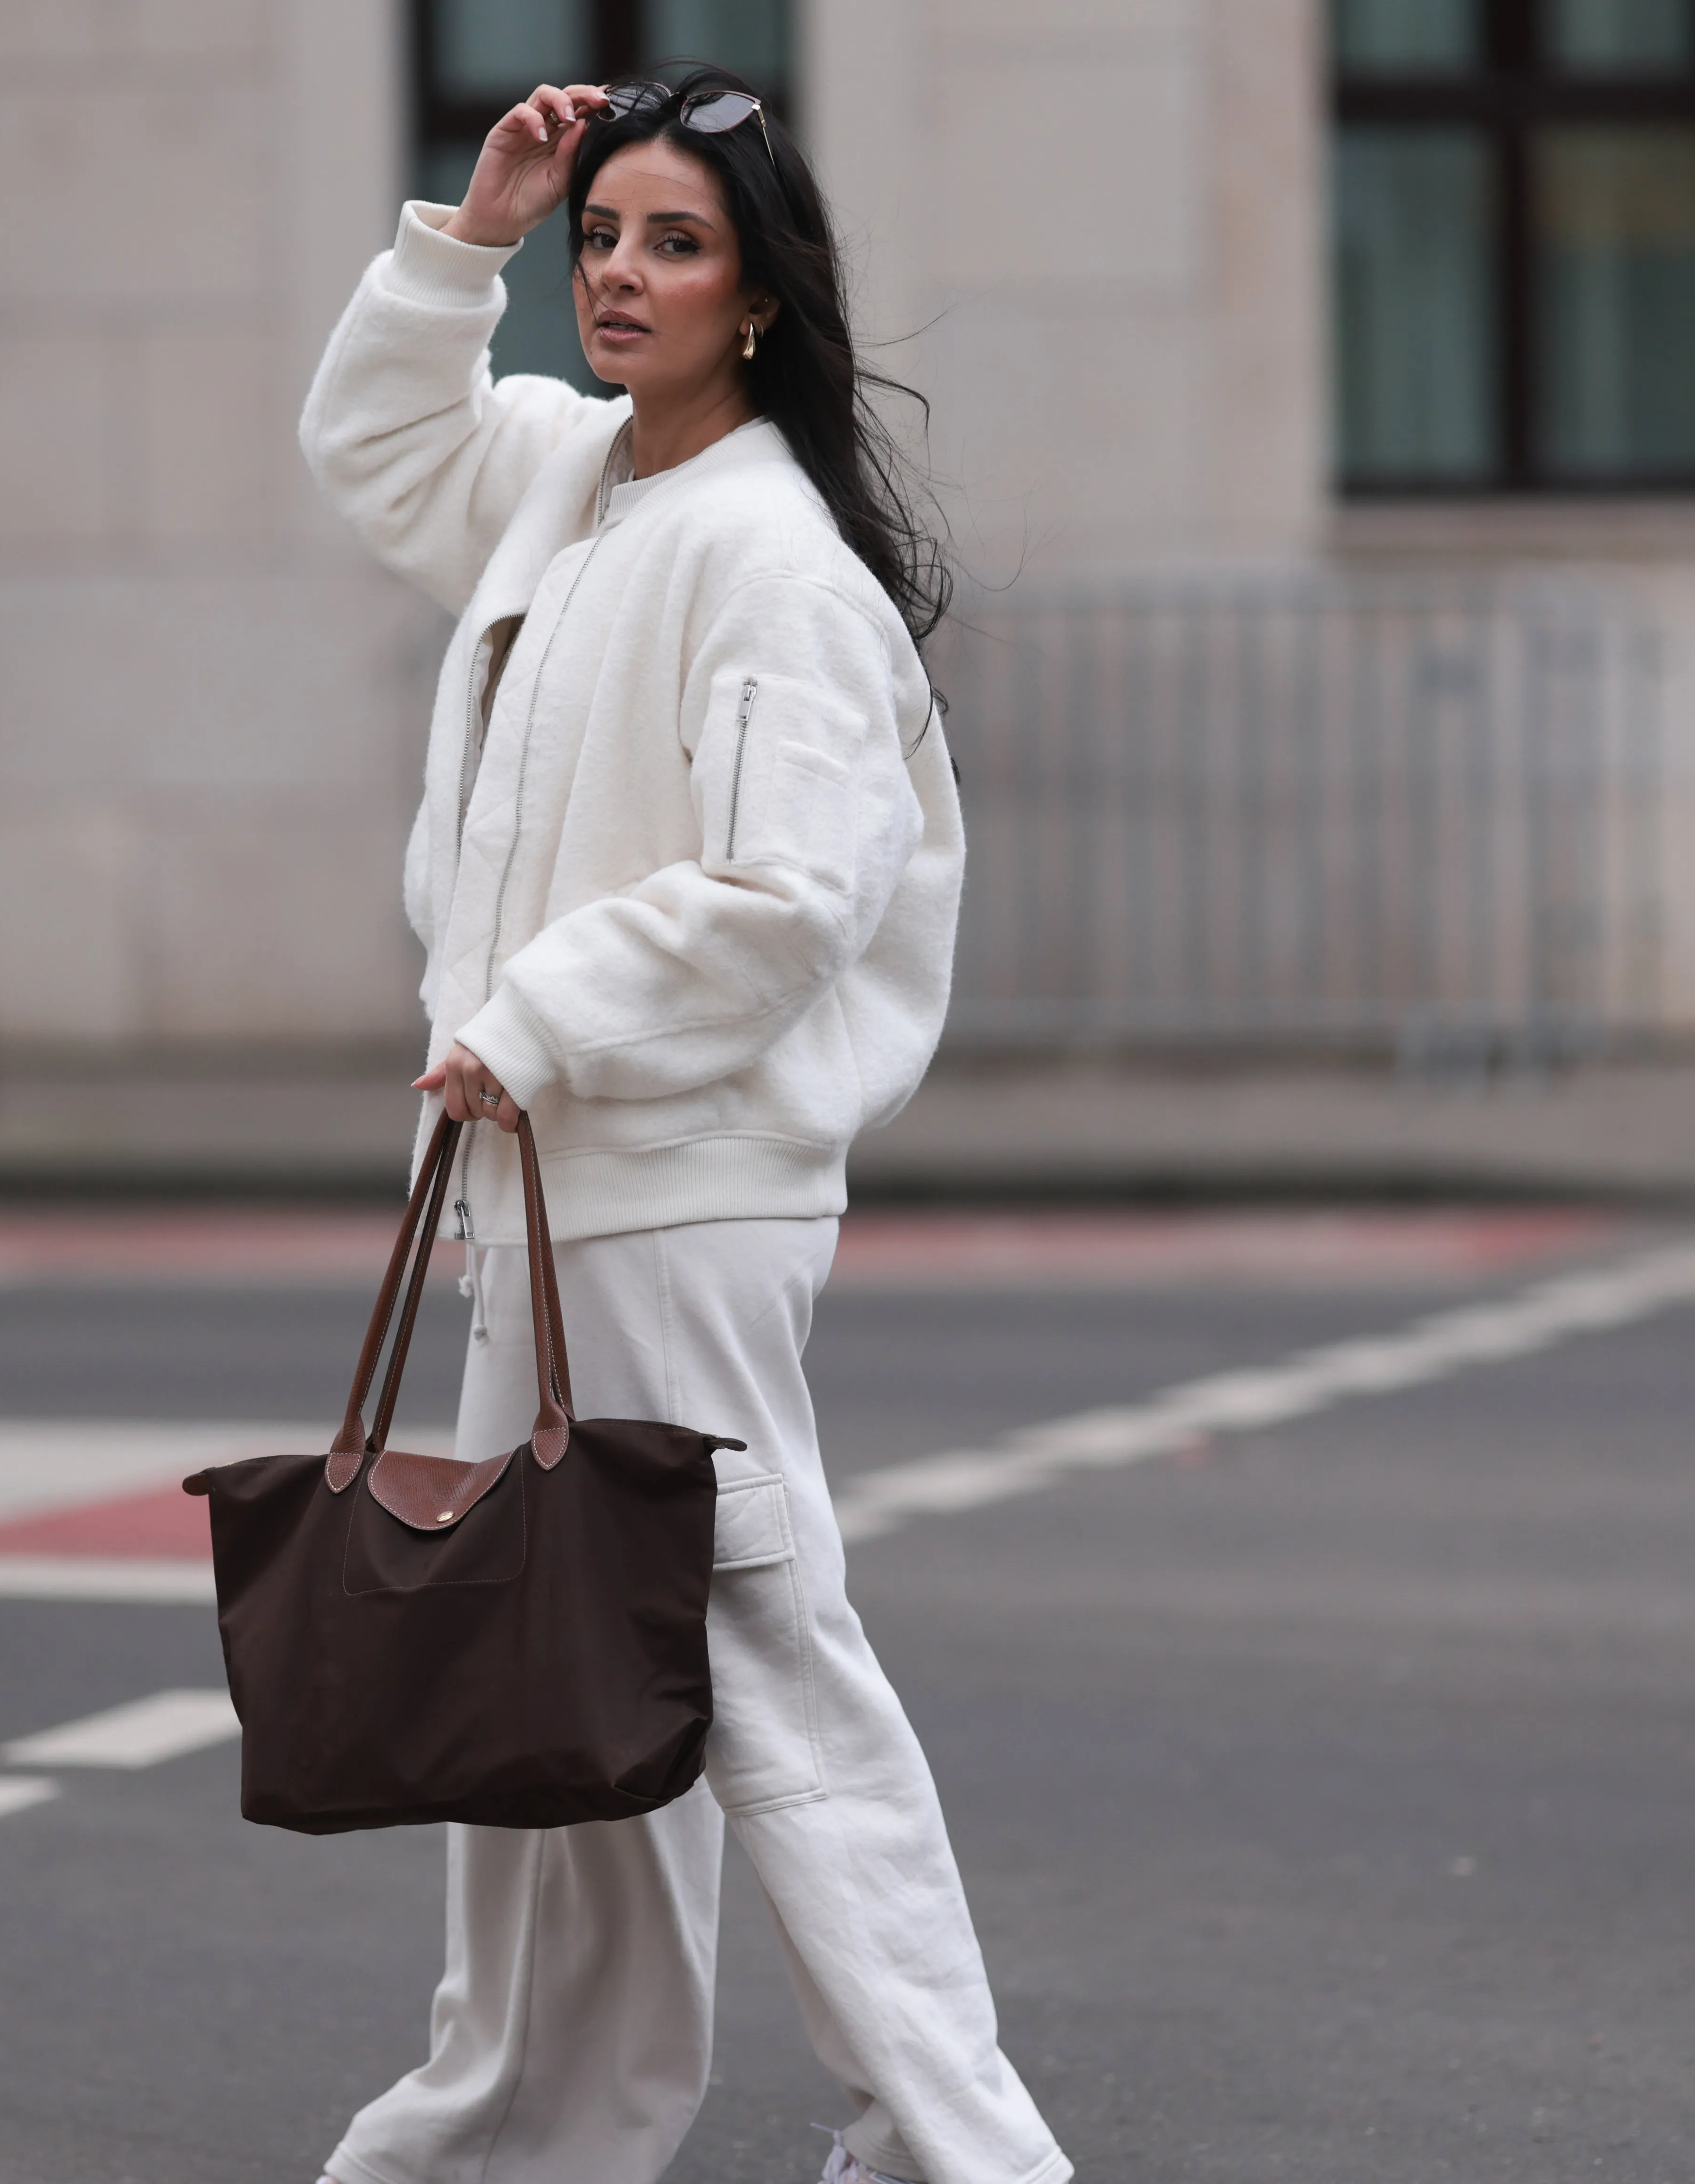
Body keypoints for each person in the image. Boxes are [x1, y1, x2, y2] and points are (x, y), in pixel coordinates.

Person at [293, 61, 1071, 2184]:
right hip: (549, 1187)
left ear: (760, 299)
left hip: (668, 1194)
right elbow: (369, 443)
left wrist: (528, 1015)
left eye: (675, 243)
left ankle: (955, 2146)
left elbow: (790, 898)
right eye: (603, 236)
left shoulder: (770, 564)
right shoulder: (575, 481)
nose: (619, 274)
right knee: (563, 1686)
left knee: (757, 1664)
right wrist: (469, 227)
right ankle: (528, 2125)